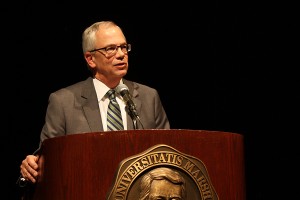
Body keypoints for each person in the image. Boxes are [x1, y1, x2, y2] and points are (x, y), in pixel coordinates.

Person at [18, 20, 170, 185]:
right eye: (110, 49)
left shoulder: (149, 97)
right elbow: (48, 157)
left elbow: (169, 152)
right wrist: (32, 163)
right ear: (90, 59)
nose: (121, 54)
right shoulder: (63, 102)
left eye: (124, 47)